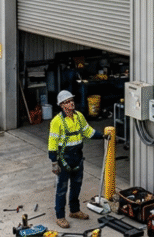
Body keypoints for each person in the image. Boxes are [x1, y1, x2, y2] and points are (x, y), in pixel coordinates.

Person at [48, 89, 104, 229]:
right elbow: (52, 143)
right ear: (61, 105)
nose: (71, 104)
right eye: (67, 102)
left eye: (71, 100)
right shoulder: (56, 122)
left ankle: (74, 211)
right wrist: (54, 162)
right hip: (64, 159)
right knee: (62, 188)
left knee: (76, 185)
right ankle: (60, 217)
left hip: (77, 157)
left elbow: (88, 132)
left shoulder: (79, 116)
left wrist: (103, 136)